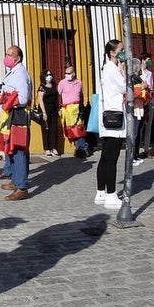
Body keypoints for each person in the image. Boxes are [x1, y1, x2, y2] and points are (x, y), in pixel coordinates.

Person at [0, 45, 32, 201]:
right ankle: (16, 180)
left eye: (10, 54)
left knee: (19, 150)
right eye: (7, 54)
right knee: (11, 148)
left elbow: (22, 98)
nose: (7, 57)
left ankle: (22, 187)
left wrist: (3, 99)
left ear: (18, 58)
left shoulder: (21, 74)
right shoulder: (13, 72)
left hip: (19, 115)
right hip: (11, 115)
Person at [95, 41, 127, 209]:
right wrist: (123, 71)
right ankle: (111, 194)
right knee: (111, 159)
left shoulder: (106, 69)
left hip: (108, 115)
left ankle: (101, 191)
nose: (124, 53)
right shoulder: (112, 69)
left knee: (105, 156)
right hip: (114, 117)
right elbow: (124, 88)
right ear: (113, 53)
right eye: (121, 50)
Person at [57, 65, 91, 159]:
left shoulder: (79, 82)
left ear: (73, 73)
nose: (67, 75)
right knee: (72, 130)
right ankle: (81, 148)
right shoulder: (62, 83)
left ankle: (82, 148)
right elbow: (58, 95)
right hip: (68, 110)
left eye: (69, 73)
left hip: (78, 108)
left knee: (79, 128)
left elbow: (81, 95)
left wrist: (82, 105)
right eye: (66, 73)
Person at [136, 54, 154, 160]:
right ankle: (137, 150)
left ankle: (147, 149)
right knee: (139, 127)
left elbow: (151, 86)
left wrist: (151, 90)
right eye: (148, 60)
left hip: (149, 101)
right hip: (140, 102)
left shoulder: (150, 73)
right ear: (143, 60)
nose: (149, 62)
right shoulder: (138, 72)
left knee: (148, 126)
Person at [37, 69, 61, 156]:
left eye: (50, 74)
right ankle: (47, 148)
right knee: (46, 129)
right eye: (47, 75)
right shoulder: (42, 87)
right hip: (45, 109)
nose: (49, 76)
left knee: (54, 128)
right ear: (44, 76)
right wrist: (44, 112)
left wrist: (58, 109)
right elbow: (40, 100)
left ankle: (54, 148)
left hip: (53, 109)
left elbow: (56, 98)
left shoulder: (54, 85)